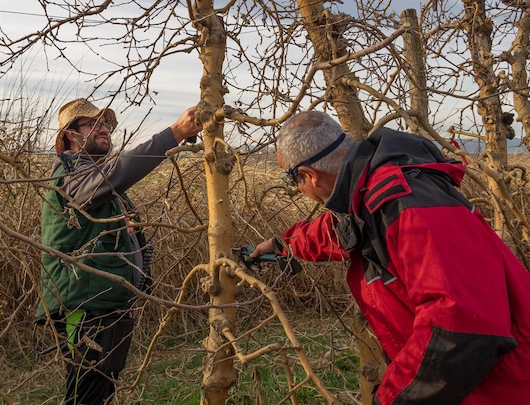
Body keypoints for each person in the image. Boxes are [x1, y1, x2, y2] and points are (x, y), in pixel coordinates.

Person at [251, 110, 530, 405]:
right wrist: (283, 244)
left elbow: (460, 326)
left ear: (309, 175)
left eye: (291, 178)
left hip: (502, 388)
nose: (297, 188)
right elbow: (343, 229)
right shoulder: (373, 191)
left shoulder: (410, 205)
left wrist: (391, 398)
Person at [35, 97, 201, 405]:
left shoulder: (94, 177)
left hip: (107, 304)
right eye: (94, 124)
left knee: (101, 389)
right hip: (85, 308)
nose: (105, 129)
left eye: (107, 124)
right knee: (88, 394)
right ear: (72, 135)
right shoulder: (71, 172)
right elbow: (117, 173)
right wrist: (174, 133)